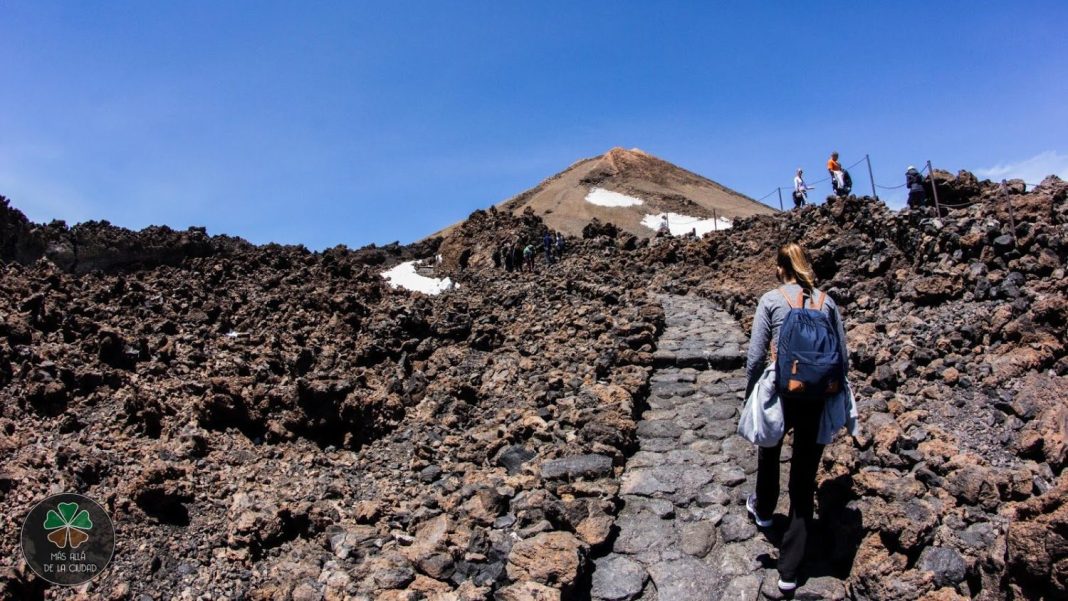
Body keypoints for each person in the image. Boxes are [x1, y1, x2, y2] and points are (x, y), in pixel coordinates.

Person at [743, 243, 854, 592]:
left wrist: (751, 396)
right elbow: (843, 357)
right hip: (817, 396)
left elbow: (755, 355)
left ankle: (763, 510)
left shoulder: (772, 300)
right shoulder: (827, 302)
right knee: (804, 480)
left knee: (770, 450)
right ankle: (789, 573)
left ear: (780, 268)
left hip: (782, 389)